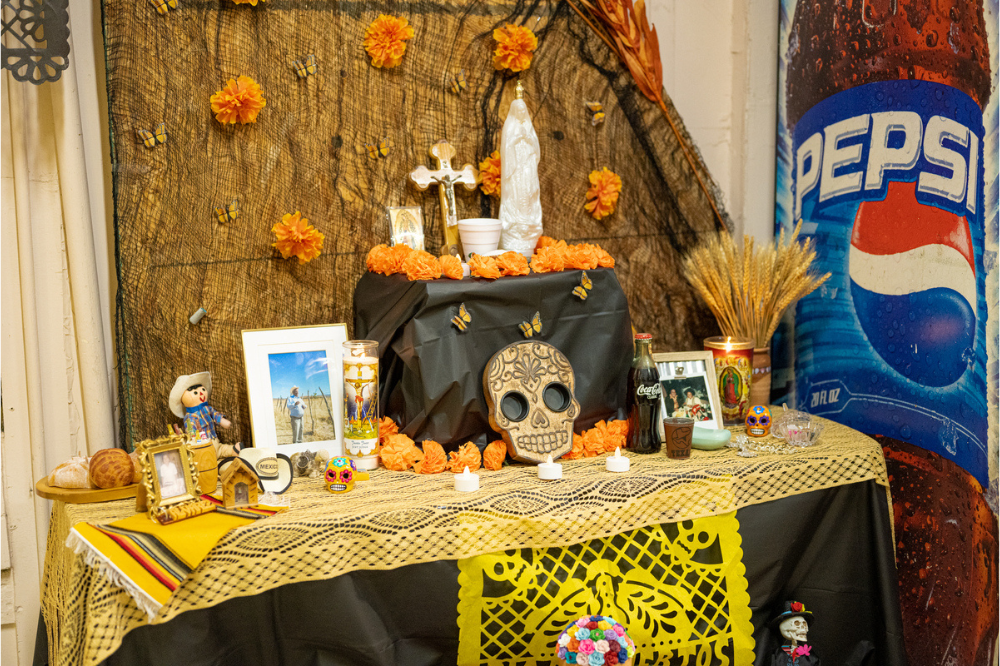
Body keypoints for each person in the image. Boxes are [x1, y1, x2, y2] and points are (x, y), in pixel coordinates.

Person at [169, 372, 241, 459]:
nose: (201, 394)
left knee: (221, 449)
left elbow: (214, 415)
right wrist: (194, 437)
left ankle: (234, 450)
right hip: (204, 446)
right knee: (209, 458)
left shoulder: (207, 409)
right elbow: (190, 430)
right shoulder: (189, 417)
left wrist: (222, 421)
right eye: (195, 393)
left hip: (215, 441)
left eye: (202, 390)